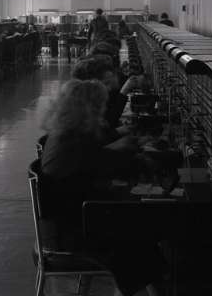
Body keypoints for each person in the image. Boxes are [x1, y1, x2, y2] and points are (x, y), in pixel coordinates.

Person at [40, 79, 164, 296]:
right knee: (139, 240)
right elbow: (107, 162)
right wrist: (143, 158)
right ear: (88, 109)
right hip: (70, 235)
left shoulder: (66, 133)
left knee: (141, 236)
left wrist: (125, 149)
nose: (103, 112)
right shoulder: (73, 142)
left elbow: (99, 159)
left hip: (67, 222)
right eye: (100, 107)